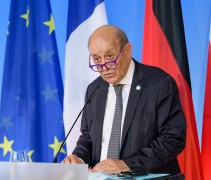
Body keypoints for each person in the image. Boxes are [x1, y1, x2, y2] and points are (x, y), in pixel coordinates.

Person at [62, 25, 186, 175]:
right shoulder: (95, 89)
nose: (104, 66)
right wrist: (78, 159)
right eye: (96, 59)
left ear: (127, 51)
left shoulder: (159, 84)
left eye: (109, 56)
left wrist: (126, 165)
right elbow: (88, 138)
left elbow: (173, 139)